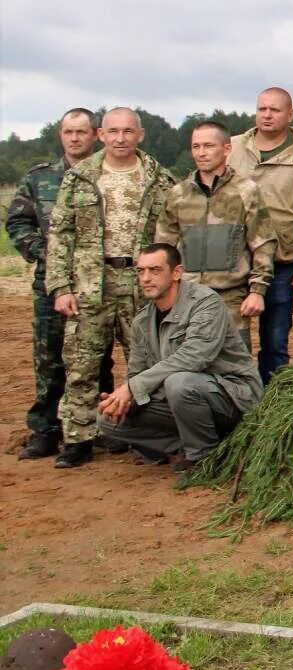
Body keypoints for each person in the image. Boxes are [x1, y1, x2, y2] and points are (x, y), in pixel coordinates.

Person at [44, 107, 176, 469]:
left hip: (141, 284)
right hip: (90, 284)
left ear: (140, 135)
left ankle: (143, 437)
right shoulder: (81, 177)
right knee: (81, 364)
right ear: (101, 135)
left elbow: (171, 236)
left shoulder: (160, 180)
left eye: (127, 132)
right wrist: (60, 286)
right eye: (113, 131)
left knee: (145, 362)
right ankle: (79, 438)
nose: (120, 138)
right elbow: (60, 234)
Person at [95, 244, 261, 472]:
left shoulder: (205, 302)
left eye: (154, 270)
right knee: (108, 419)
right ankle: (218, 446)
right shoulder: (142, 321)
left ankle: (203, 459)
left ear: (176, 273)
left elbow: (194, 358)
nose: (145, 278)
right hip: (182, 400)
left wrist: (134, 387)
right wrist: (123, 399)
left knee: (179, 384)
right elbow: (137, 372)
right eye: (140, 271)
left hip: (233, 396)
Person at [7, 108, 105, 460]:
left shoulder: (108, 175)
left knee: (98, 357)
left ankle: (99, 427)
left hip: (99, 281)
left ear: (96, 134)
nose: (75, 138)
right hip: (51, 281)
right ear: (61, 135)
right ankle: (46, 430)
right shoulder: (41, 178)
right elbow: (18, 221)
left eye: (82, 131)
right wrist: (43, 253)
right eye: (68, 132)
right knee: (49, 356)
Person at [229, 86, 293, 383]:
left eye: (275, 110)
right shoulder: (233, 148)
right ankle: (234, 400)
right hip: (234, 260)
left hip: (283, 261)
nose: (267, 115)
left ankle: (269, 403)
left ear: (290, 114)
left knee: (275, 342)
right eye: (262, 108)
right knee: (230, 339)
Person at [154, 121, 277, 350]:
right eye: (196, 146)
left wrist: (257, 291)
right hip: (186, 299)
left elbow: (263, 244)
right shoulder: (177, 195)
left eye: (208, 146)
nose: (201, 153)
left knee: (234, 369)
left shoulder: (246, 191)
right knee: (182, 367)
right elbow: (163, 249)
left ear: (227, 149)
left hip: (231, 300)